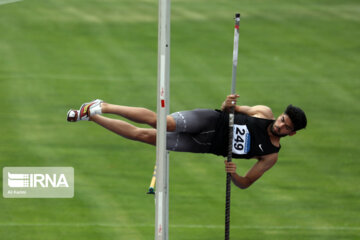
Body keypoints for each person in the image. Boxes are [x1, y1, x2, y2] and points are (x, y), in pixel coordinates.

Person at [67, 94, 307, 189]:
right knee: (162, 123)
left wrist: (233, 173)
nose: (281, 125)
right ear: (281, 115)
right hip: (209, 120)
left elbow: (245, 182)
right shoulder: (263, 112)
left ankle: (92, 116)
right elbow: (227, 108)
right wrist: (229, 104)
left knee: (145, 137)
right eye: (283, 119)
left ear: (292, 133)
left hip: (205, 146)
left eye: (287, 127)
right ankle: (104, 105)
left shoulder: (270, 155)